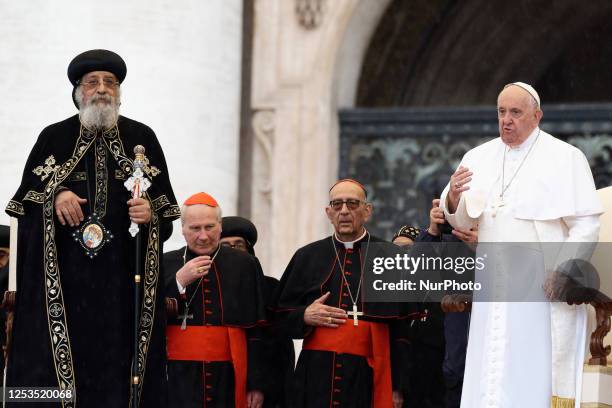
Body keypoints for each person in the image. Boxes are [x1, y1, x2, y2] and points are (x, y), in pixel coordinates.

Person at [4, 49, 180, 407]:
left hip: (121, 291)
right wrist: (56, 193)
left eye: (110, 83)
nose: (102, 89)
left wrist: (151, 215)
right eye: (93, 82)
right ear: (77, 92)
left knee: (120, 377)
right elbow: (24, 206)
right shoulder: (52, 138)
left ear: (119, 92)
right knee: (53, 378)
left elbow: (166, 216)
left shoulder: (141, 139)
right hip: (63, 291)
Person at [440, 82, 602, 407]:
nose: (506, 120)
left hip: (541, 286)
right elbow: (461, 221)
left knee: (531, 369)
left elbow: (587, 223)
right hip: (492, 285)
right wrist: (454, 197)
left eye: (516, 112)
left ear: (537, 116)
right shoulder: (478, 156)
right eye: (501, 112)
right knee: (489, 366)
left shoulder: (566, 157)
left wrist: (565, 270)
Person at [274, 179, 415, 408]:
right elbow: (278, 318)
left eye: (352, 204)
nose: (344, 211)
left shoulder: (391, 257)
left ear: (367, 210)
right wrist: (303, 316)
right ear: (328, 213)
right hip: (315, 376)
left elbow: (402, 333)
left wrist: (397, 385)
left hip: (369, 375)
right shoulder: (307, 256)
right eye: (337, 205)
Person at [165, 193, 267, 408]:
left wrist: (256, 384)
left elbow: (258, 330)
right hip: (176, 376)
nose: (203, 236)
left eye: (209, 227)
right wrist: (178, 281)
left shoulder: (246, 264)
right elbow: (145, 318)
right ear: (183, 229)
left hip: (228, 375)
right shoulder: (165, 263)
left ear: (220, 227)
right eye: (195, 228)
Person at [220, 216, 295, 408]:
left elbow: (280, 349)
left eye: (239, 245)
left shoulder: (270, 288)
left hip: (264, 388)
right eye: (226, 246)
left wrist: (260, 385)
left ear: (249, 251)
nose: (234, 251)